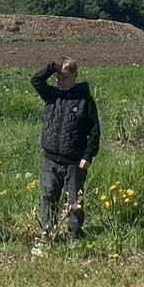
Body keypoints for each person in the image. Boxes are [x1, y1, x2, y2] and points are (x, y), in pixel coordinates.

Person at [29, 60, 101, 243]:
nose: (60, 80)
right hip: (50, 158)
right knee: (48, 195)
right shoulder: (51, 95)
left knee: (74, 199)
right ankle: (48, 233)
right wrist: (51, 67)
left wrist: (88, 155)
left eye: (65, 77)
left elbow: (94, 130)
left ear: (75, 76)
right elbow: (36, 80)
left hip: (74, 160)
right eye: (58, 77)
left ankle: (73, 235)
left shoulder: (85, 100)